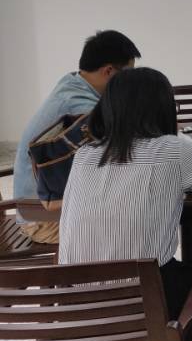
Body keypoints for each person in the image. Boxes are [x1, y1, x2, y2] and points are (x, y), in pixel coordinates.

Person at [57, 67, 192, 318]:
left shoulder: (84, 155)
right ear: (163, 109)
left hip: (78, 312)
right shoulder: (175, 149)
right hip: (148, 310)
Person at [14, 29, 141, 242]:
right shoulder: (79, 108)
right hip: (43, 219)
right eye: (128, 75)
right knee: (132, 224)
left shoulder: (74, 83)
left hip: (47, 206)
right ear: (109, 71)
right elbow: (124, 149)